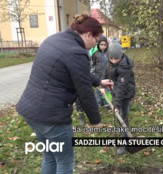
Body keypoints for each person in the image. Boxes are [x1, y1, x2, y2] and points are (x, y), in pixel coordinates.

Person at [16, 14, 114, 174]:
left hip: (31, 112)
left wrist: (99, 82)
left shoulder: (55, 39)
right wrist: (96, 121)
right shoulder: (77, 52)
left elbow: (77, 71)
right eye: (95, 41)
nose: (94, 45)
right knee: (65, 162)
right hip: (52, 117)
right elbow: (84, 91)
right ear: (88, 35)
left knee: (50, 156)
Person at [101, 40, 135, 138]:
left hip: (125, 94)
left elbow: (122, 87)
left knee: (123, 117)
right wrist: (102, 85)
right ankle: (124, 133)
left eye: (116, 58)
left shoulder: (125, 67)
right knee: (118, 116)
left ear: (121, 56)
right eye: (111, 58)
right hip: (115, 92)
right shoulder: (109, 62)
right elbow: (105, 73)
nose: (114, 61)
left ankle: (126, 139)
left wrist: (117, 105)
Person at [92, 36, 112, 111]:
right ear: (98, 45)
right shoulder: (96, 54)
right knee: (98, 91)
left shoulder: (108, 53)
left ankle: (107, 103)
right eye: (101, 45)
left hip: (107, 76)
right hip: (98, 75)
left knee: (108, 91)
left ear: (107, 45)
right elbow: (92, 65)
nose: (103, 46)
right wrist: (93, 74)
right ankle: (97, 104)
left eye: (104, 45)